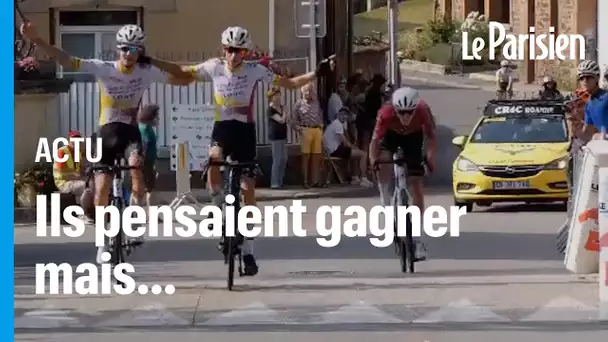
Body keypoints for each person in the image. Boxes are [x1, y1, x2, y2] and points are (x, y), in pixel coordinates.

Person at [20, 22, 194, 263]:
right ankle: (102, 242)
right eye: (124, 49)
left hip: (130, 134)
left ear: (140, 51)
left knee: (136, 169)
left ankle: (134, 222)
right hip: (106, 135)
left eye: (134, 50)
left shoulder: (146, 71)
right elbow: (66, 60)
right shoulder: (104, 68)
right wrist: (37, 40)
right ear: (117, 50)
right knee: (101, 188)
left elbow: (185, 77)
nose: (128, 54)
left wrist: (154, 61)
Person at [175, 26, 335, 276]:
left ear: (245, 52)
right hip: (222, 130)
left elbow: (291, 83)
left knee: (249, 192)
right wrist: (148, 62)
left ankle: (248, 251)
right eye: (229, 50)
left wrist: (316, 73)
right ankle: (219, 211)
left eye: (239, 50)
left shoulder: (255, 70)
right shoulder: (213, 67)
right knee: (213, 162)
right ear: (223, 50)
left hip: (245, 133)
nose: (234, 55)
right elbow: (181, 73)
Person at [369, 87, 437, 261]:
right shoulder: (385, 113)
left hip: (413, 138)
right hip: (390, 136)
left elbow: (431, 138)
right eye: (401, 112)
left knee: (416, 185)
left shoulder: (422, 110)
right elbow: (375, 141)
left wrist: (430, 159)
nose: (405, 116)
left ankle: (418, 239)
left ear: (415, 109)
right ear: (395, 109)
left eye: (409, 112)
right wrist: (373, 161)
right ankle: (385, 196)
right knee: (383, 160)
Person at [324, 108, 373, 187]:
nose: (344, 116)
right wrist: (355, 148)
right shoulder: (337, 124)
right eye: (342, 114)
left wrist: (353, 148)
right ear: (338, 115)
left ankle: (355, 178)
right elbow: (345, 143)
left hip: (332, 150)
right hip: (334, 151)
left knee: (355, 154)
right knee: (363, 154)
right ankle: (364, 178)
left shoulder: (335, 123)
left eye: (346, 115)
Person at [52, 130, 94, 223]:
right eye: (73, 140)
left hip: (74, 181)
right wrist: (78, 177)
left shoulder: (78, 153)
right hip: (63, 182)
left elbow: (81, 170)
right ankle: (82, 215)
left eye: (78, 140)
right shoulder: (62, 151)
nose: (76, 142)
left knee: (91, 184)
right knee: (86, 186)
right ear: (69, 140)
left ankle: (89, 212)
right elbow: (61, 172)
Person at [292, 82, 325, 189]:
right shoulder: (298, 104)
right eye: (306, 91)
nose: (308, 93)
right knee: (306, 156)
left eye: (310, 90)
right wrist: (299, 128)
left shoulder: (316, 103)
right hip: (305, 129)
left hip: (316, 129)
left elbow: (320, 115)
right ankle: (305, 181)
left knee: (316, 156)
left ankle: (315, 180)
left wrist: (321, 126)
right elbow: (293, 120)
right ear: (302, 92)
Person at [576, 60, 608, 143]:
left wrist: (599, 136)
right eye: (581, 78)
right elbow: (587, 131)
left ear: (597, 78)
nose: (585, 81)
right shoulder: (589, 103)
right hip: (602, 150)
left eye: (589, 77)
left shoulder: (606, 97)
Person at [137, 105, 160, 220]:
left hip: (145, 162)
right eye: (156, 116)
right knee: (149, 189)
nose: (158, 119)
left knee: (139, 188)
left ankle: (137, 213)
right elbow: (145, 146)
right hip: (146, 163)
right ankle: (151, 214)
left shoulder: (145, 127)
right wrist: (147, 165)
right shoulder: (145, 129)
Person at [267, 87, 288, 189]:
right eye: (276, 95)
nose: (278, 97)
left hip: (283, 136)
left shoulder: (281, 107)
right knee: (277, 160)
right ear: (271, 97)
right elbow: (281, 120)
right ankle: (274, 183)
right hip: (275, 137)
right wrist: (285, 113)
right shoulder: (270, 109)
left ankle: (280, 181)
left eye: (279, 95)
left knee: (284, 158)